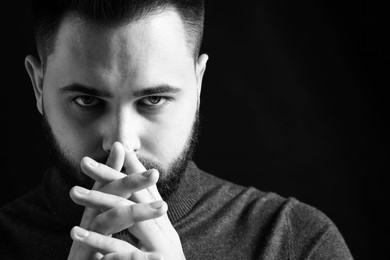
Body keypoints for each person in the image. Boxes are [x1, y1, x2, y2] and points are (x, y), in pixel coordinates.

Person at [0, 0, 353, 259]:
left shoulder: (294, 241)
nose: (122, 142)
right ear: (38, 87)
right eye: (86, 101)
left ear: (197, 86)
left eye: (153, 100)